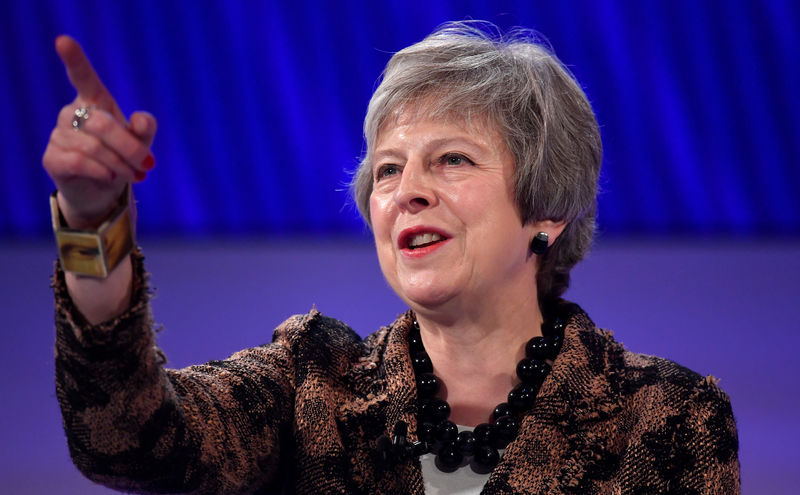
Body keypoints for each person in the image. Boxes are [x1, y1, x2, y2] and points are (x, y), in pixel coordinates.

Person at [45, 22, 740, 494]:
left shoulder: (666, 417)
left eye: (453, 160)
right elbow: (126, 436)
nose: (406, 191)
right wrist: (91, 218)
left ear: (546, 209)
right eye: (386, 170)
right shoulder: (310, 386)